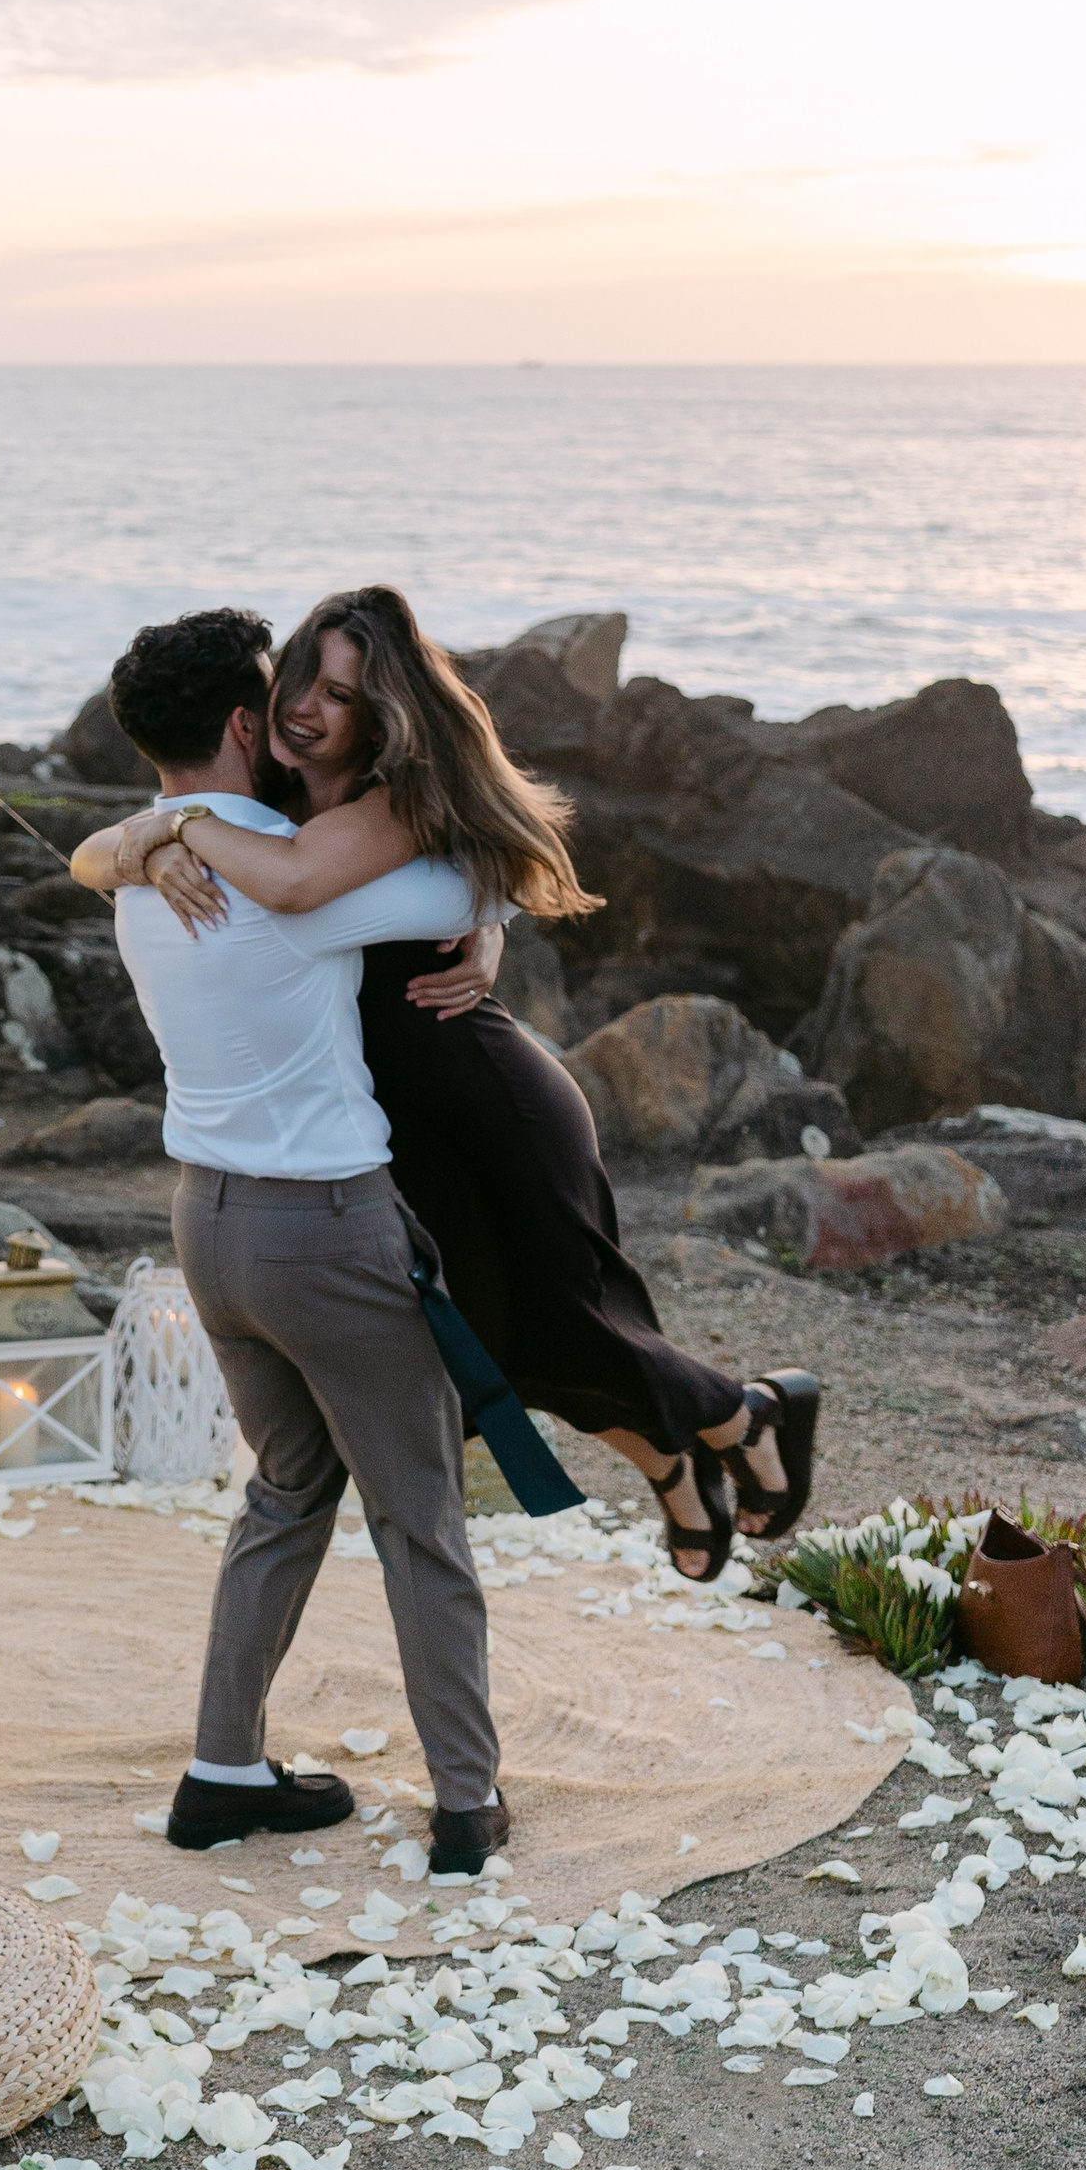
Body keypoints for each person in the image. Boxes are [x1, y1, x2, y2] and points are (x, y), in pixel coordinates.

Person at [75, 586, 820, 1584]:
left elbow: (468, 874)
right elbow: (106, 851)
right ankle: (687, 1458)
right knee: (499, 1343)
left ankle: (747, 1415)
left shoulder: (391, 799)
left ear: (381, 712)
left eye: (342, 696)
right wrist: (143, 841)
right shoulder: (271, 802)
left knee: (567, 1320)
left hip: (482, 1092)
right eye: (303, 681)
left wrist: (172, 835)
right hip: (393, 1116)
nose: (310, 709)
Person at [94, 605, 513, 1878]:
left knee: (285, 1490)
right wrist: (490, 925)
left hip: (205, 1227)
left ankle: (224, 1770)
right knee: (420, 1517)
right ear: (243, 720)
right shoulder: (294, 861)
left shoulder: (143, 874)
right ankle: (464, 1801)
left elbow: (111, 849)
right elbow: (483, 864)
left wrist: (142, 830)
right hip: (326, 1230)